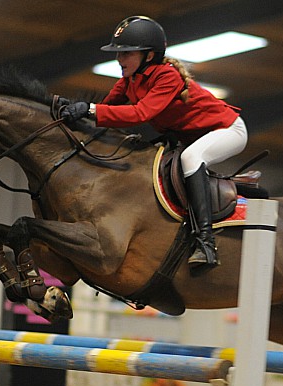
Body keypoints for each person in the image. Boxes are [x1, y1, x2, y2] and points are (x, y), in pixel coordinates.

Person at [60, 15, 248, 268]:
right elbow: (106, 109)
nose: (119, 59)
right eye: (119, 53)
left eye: (126, 53)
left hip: (227, 130)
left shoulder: (166, 77)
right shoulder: (131, 80)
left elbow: (140, 114)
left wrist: (90, 109)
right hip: (190, 136)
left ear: (148, 56)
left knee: (191, 159)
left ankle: (205, 242)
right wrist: (70, 108)